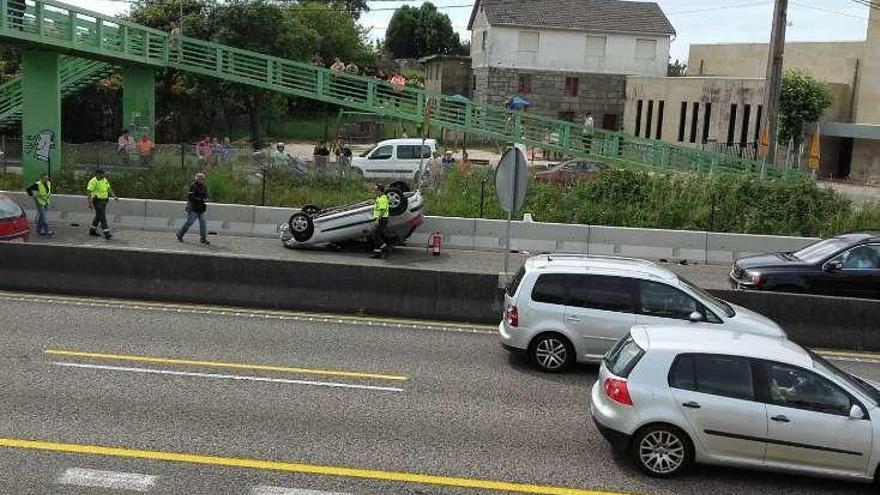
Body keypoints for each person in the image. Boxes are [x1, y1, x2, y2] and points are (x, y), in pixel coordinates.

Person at [176, 172, 210, 245]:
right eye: (202, 179)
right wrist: (201, 199)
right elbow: (191, 197)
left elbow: (206, 195)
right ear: (198, 179)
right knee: (189, 223)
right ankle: (180, 234)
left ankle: (203, 239)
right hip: (193, 208)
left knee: (203, 224)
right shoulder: (193, 186)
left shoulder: (204, 187)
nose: (204, 180)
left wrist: (206, 199)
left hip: (201, 209)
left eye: (204, 179)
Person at [86, 169, 118, 239]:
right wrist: (89, 203)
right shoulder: (93, 181)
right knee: (102, 216)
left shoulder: (104, 180)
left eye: (103, 174)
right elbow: (88, 192)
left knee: (98, 216)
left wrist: (114, 196)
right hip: (97, 201)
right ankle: (107, 233)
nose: (103, 175)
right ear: (97, 174)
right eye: (101, 174)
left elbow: (109, 189)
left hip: (104, 201)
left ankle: (92, 230)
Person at [371, 184, 390, 259]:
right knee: (376, 236)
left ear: (380, 191)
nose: (375, 191)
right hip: (380, 219)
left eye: (376, 190)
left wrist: (377, 219)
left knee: (377, 236)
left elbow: (383, 210)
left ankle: (386, 249)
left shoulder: (382, 199)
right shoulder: (379, 198)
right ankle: (377, 253)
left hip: (382, 219)